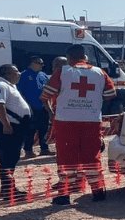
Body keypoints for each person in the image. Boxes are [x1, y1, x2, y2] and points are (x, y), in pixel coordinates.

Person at [40, 45, 116, 205]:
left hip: (65, 121)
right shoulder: (100, 72)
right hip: (92, 120)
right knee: (92, 156)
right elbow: (111, 94)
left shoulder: (63, 71)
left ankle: (65, 194)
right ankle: (98, 191)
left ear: (69, 58)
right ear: (85, 57)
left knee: (67, 158)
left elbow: (45, 95)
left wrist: (51, 111)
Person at [0, 64, 31, 200]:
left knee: (12, 157)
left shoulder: (10, 86)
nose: (19, 74)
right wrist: (6, 125)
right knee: (7, 158)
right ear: (7, 73)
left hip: (16, 126)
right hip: (7, 127)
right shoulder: (0, 86)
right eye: (16, 71)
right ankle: (8, 191)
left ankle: (8, 188)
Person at [17, 56, 51, 158]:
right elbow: (20, 93)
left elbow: (47, 90)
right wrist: (27, 106)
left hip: (43, 106)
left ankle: (44, 148)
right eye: (40, 63)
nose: (42, 65)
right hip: (31, 107)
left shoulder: (43, 75)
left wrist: (48, 106)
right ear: (32, 63)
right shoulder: (23, 75)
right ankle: (28, 150)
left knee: (44, 129)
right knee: (30, 130)